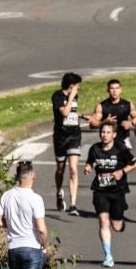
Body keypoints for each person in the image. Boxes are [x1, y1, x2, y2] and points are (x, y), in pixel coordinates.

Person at [85, 121, 136, 266]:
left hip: (117, 191)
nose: (105, 135)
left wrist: (122, 171)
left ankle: (120, 219)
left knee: (116, 226)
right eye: (103, 132)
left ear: (114, 134)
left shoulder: (121, 149)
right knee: (103, 222)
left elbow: (134, 163)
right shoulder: (95, 148)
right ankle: (108, 256)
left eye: (108, 132)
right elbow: (90, 162)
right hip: (100, 190)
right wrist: (88, 167)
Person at [50, 73, 86, 215]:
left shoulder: (75, 96)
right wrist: (71, 96)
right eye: (77, 86)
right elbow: (65, 112)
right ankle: (59, 192)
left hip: (74, 135)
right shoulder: (57, 96)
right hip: (60, 136)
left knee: (73, 169)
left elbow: (72, 111)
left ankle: (73, 205)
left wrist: (82, 115)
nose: (79, 89)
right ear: (71, 86)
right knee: (61, 169)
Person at [87, 78, 136, 153]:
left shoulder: (127, 104)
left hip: (123, 141)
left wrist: (130, 124)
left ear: (120, 90)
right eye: (112, 88)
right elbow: (92, 125)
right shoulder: (101, 106)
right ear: (108, 90)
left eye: (117, 88)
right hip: (107, 143)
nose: (114, 91)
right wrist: (104, 122)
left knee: (126, 164)